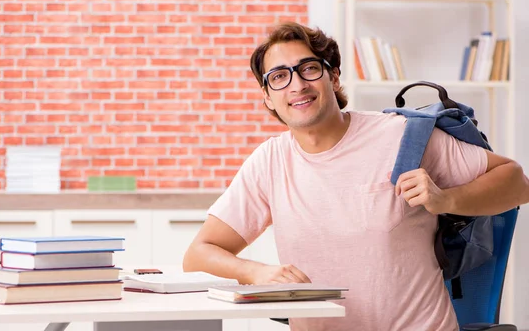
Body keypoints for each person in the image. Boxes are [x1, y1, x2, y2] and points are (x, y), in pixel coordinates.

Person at [182, 21, 529, 331]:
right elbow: (199, 253)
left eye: (309, 69)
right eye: (279, 76)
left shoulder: (404, 136)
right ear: (268, 97)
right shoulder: (269, 162)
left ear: (333, 77)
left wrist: (447, 199)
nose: (297, 85)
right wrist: (256, 273)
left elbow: (517, 182)